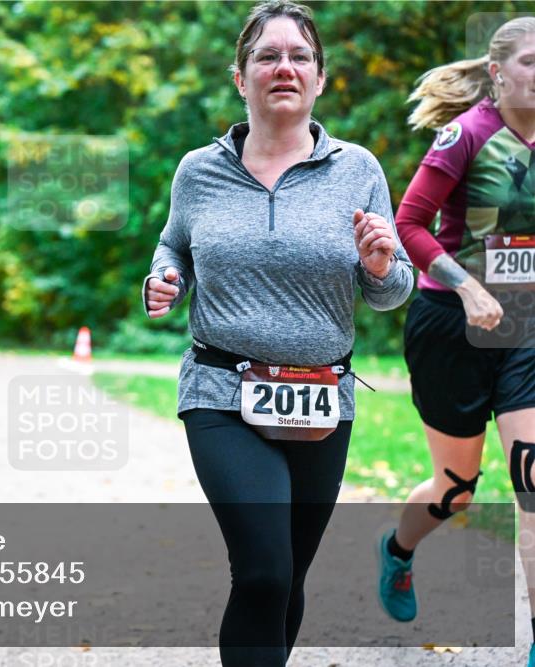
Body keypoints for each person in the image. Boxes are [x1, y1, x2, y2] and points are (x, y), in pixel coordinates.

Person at [143, 2, 413, 664]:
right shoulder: (197, 171)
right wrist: (163, 276)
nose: (284, 67)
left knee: (287, 575)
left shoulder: (359, 170)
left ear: (321, 77)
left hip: (323, 398)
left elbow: (394, 288)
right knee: (262, 568)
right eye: (268, 56)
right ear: (241, 77)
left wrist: (380, 264)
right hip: (222, 391)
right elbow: (172, 244)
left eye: (299, 56)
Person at [375, 16, 535, 665]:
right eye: (530, 61)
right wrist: (467, 286)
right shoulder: (466, 135)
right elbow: (408, 223)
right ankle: (398, 548)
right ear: (497, 74)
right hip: (452, 324)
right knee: (455, 488)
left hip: (526, 331)